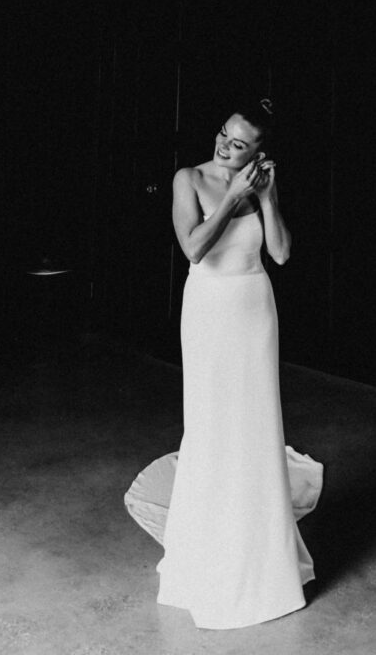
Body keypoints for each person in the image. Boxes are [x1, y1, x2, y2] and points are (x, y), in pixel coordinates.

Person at [124, 98, 323, 630]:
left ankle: (262, 553)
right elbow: (193, 248)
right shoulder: (188, 178)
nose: (224, 145)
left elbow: (279, 253)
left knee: (256, 424)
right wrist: (233, 195)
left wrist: (268, 196)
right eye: (222, 134)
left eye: (239, 143)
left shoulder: (260, 186)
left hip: (254, 309)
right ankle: (209, 546)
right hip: (209, 309)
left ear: (259, 151)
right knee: (213, 423)